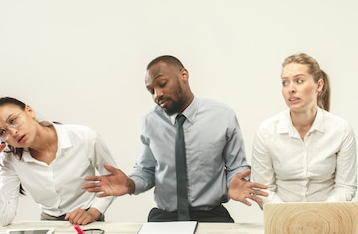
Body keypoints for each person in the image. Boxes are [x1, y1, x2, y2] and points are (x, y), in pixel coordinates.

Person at [83, 55, 268, 223]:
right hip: (165, 216)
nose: (157, 95)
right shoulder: (150, 122)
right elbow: (146, 170)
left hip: (211, 215)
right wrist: (130, 184)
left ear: (184, 75)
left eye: (162, 84)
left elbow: (237, 166)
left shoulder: (222, 116)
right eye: (151, 91)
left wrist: (234, 182)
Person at [0, 97, 117, 226]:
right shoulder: (9, 159)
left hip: (89, 219)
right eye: (2, 132)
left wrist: (93, 212)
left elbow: (115, 181)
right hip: (49, 224)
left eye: (13, 121)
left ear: (29, 111)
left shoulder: (85, 137)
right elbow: (4, 217)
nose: (12, 133)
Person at [251, 53, 357, 204]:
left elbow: (346, 187)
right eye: (285, 83)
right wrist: (290, 217)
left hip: (327, 219)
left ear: (319, 85)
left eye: (299, 81)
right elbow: (264, 189)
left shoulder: (341, 129)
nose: (291, 89)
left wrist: (320, 214)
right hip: (282, 220)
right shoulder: (266, 131)